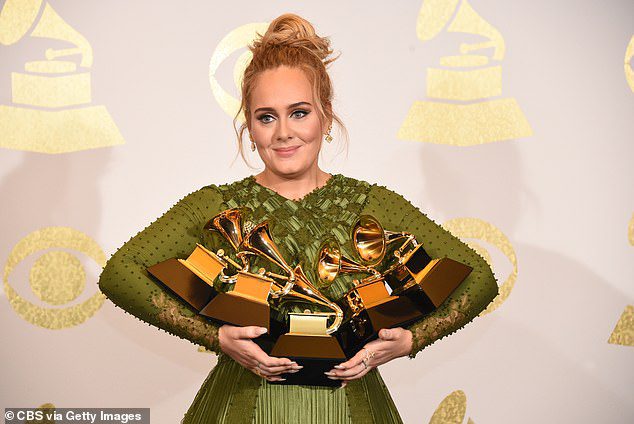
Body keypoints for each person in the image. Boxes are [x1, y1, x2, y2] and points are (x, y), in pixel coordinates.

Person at [97, 13, 499, 424]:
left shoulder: (372, 203)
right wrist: (217, 337)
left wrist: (409, 340)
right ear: (249, 129)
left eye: (299, 112)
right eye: (266, 117)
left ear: (326, 115)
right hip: (242, 408)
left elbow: (480, 276)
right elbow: (118, 272)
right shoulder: (214, 206)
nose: (283, 132)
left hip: (352, 409)